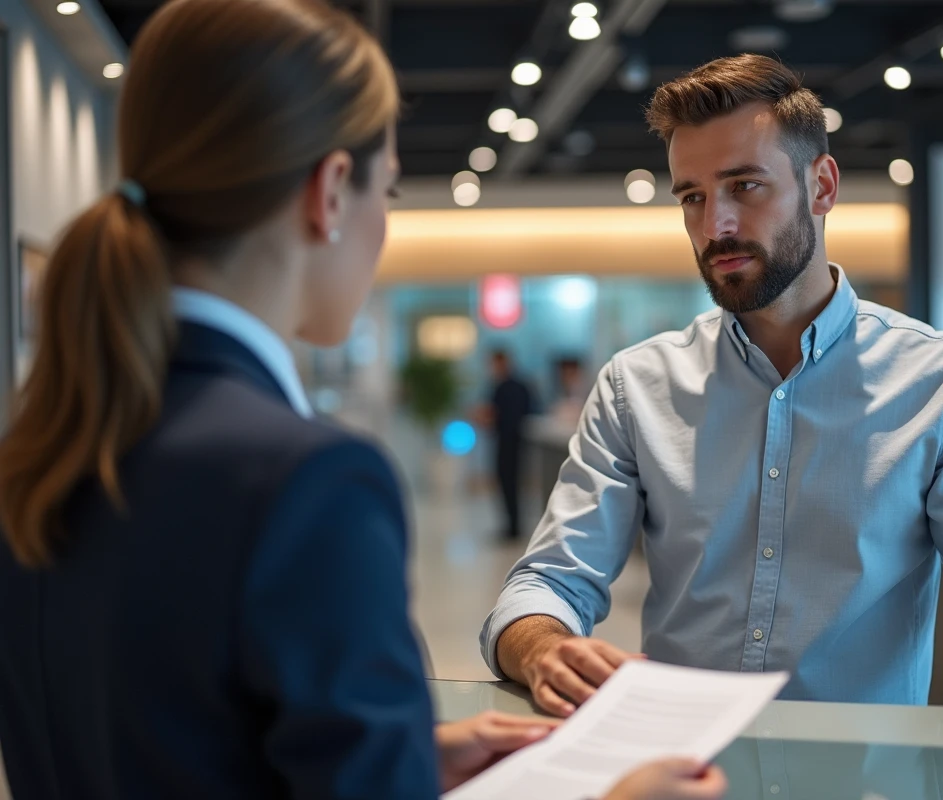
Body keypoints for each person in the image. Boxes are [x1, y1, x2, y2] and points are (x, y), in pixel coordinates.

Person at [0, 1, 724, 798]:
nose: (383, 225)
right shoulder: (304, 482)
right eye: (389, 192)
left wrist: (405, 763)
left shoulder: (44, 448)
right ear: (332, 192)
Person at [481, 55, 943, 734]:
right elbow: (547, 582)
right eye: (691, 196)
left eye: (745, 186)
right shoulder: (637, 387)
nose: (714, 224)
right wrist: (543, 647)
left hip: (864, 777)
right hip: (684, 768)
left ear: (822, 185)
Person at [483, 350, 535, 540]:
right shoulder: (520, 386)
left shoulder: (504, 387)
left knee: (509, 484)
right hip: (517, 442)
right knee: (511, 484)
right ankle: (513, 525)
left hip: (509, 442)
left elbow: (495, 415)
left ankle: (513, 526)